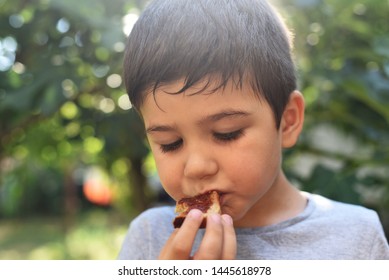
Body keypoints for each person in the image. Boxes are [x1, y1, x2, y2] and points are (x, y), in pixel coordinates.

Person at [117, 0, 389, 259]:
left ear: (288, 120)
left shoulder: (356, 236)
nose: (197, 167)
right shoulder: (150, 238)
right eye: (170, 142)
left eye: (227, 133)